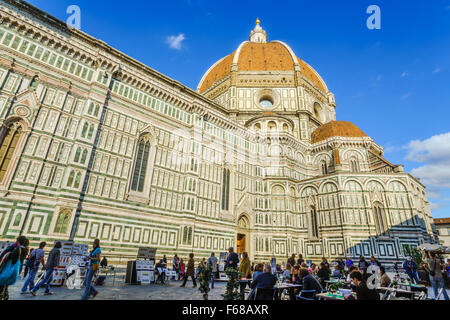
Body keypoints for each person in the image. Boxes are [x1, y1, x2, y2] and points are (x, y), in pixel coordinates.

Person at [0, 236, 29, 300]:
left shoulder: (18, 249)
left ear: (18, 241)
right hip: (14, 270)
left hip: (8, 269)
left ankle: (3, 296)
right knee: (5, 286)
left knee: (2, 285)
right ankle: (4, 296)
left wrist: (10, 248)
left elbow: (10, 256)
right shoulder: (24, 250)